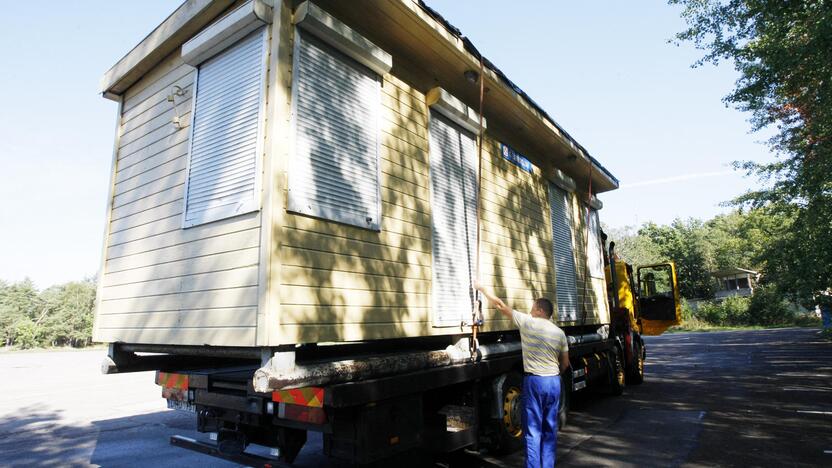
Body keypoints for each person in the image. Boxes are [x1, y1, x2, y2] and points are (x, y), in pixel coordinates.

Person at [476, 283, 570, 468]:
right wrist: (553, 374)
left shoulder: (528, 322)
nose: (530, 310)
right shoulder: (560, 333)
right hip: (554, 382)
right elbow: (565, 363)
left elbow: (500, 305)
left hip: (535, 382)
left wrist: (483, 289)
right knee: (549, 429)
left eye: (533, 307)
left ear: (540, 310)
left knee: (533, 431)